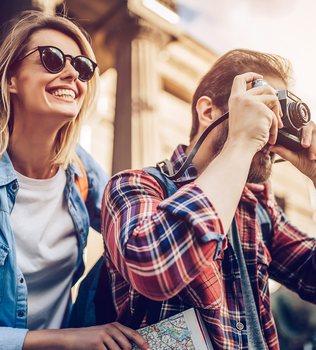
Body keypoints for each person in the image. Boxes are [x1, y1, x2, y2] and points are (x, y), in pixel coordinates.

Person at [101, 48, 316, 349]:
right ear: (208, 111)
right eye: (263, 110)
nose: (270, 131)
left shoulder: (258, 209)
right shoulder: (135, 185)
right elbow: (154, 268)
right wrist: (241, 142)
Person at [0, 10, 149, 350]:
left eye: (82, 67)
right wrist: (68, 339)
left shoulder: (83, 172)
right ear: (11, 79)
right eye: (51, 59)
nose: (71, 74)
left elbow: (145, 240)